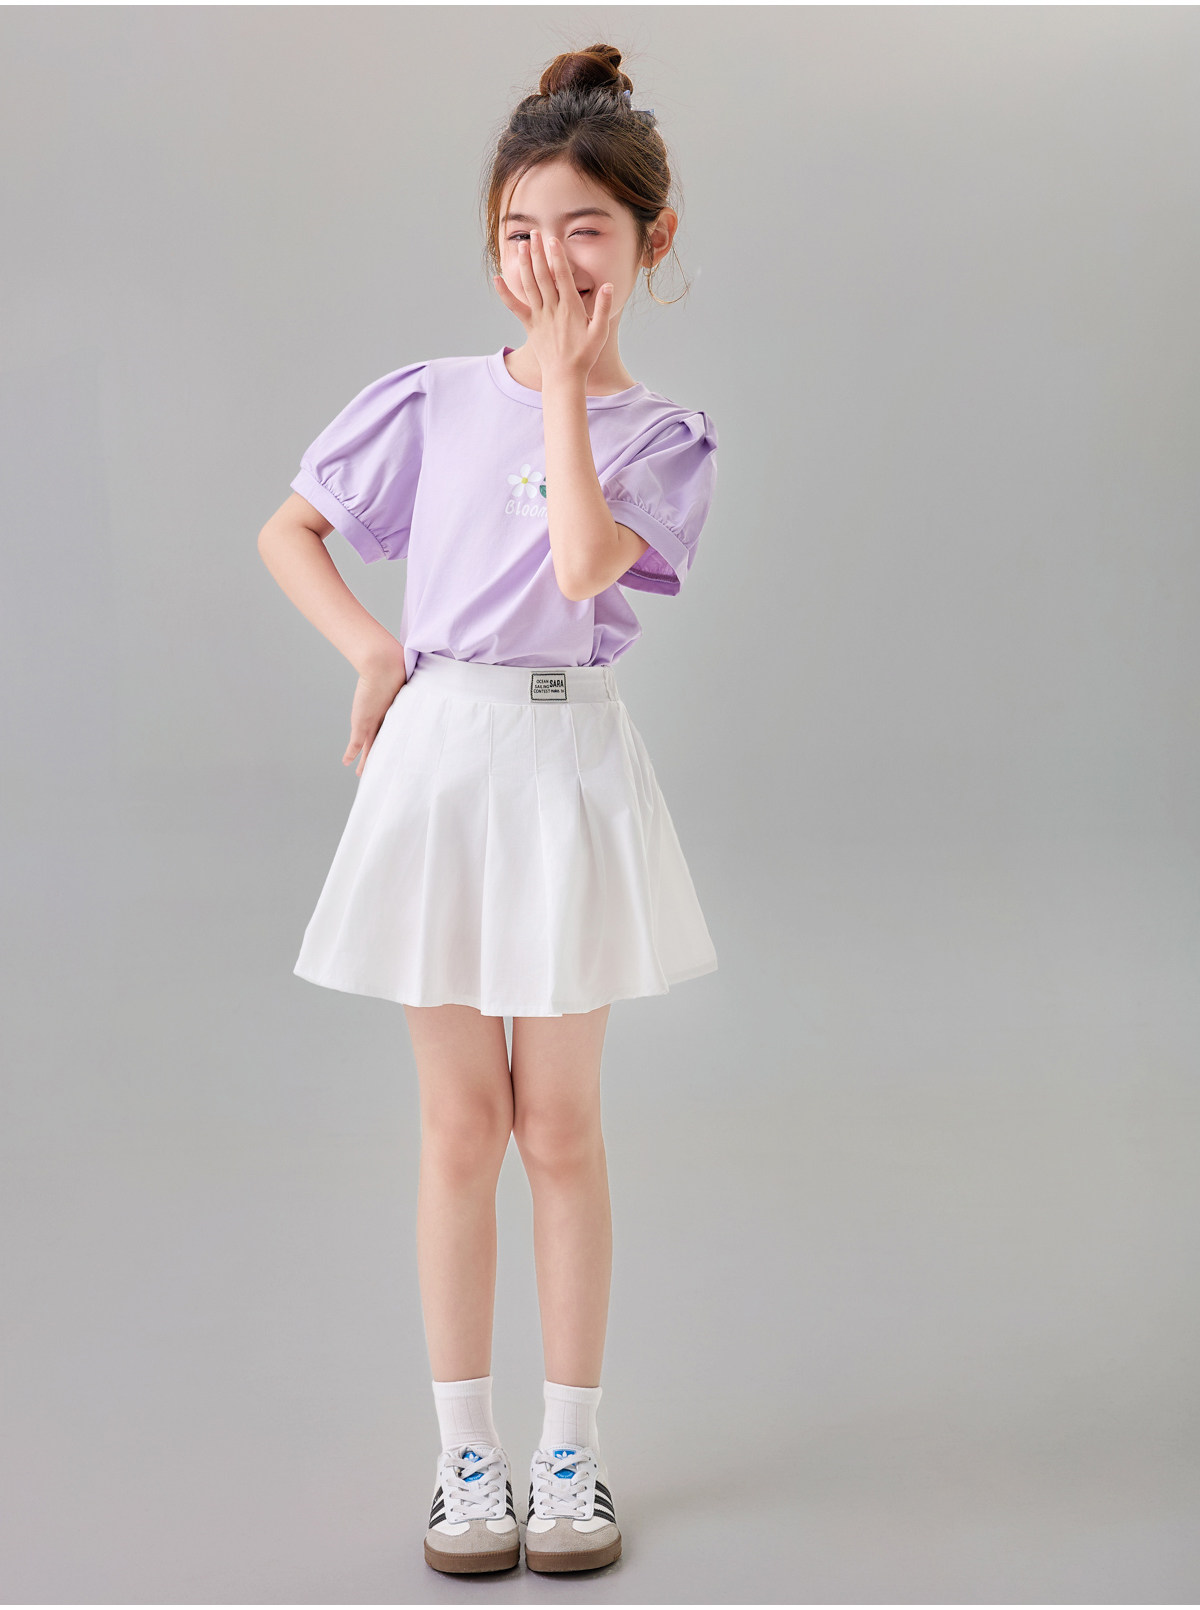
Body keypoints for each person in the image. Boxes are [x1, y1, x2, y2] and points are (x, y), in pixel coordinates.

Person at [257, 42, 719, 1577]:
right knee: (461, 1123)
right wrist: (374, 649)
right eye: (521, 231)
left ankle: (569, 1448)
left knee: (560, 1124)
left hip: (567, 765)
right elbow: (292, 529)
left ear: (650, 238)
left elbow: (582, 566)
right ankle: (465, 1452)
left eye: (584, 229)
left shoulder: (662, 440)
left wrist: (570, 392)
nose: (548, 262)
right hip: (443, 760)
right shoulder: (432, 399)